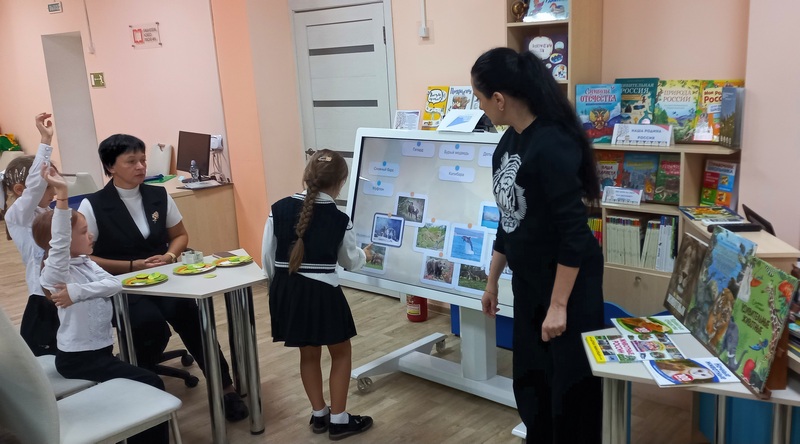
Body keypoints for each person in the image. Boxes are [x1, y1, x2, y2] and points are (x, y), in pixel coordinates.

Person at [472, 47, 605, 443]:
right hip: (529, 283)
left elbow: (574, 234)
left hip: (567, 287)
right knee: (531, 382)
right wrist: (492, 282)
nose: (480, 107)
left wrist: (559, 305)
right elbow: (509, 219)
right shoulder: (507, 143)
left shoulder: (552, 144)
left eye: (480, 98)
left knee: (570, 392)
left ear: (499, 99)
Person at [77, 134, 248, 421]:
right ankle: (145, 391)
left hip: (164, 279)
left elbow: (180, 235)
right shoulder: (93, 205)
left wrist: (169, 256)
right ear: (110, 166)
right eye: (131, 161)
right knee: (148, 324)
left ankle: (225, 388)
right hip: (123, 286)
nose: (141, 167)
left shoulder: (158, 195)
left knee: (196, 321)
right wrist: (130, 265)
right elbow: (85, 258)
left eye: (142, 160)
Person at [33, 164, 168, 444]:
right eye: (84, 232)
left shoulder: (85, 263)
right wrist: (62, 195)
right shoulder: (56, 273)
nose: (91, 235)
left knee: (139, 383)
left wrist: (77, 292)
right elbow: (60, 241)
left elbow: (114, 285)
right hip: (78, 360)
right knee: (151, 382)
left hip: (101, 353)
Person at [261, 149, 373, 440]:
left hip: (287, 292)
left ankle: (319, 414)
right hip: (323, 294)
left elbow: (267, 260)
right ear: (341, 182)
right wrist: (365, 254)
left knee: (308, 353)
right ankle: (339, 420)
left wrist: (279, 292)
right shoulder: (339, 218)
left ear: (307, 175)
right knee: (341, 352)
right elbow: (350, 261)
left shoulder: (277, 209)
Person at [1, 113, 59, 356]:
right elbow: (35, 186)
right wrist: (45, 141)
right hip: (42, 295)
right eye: (50, 186)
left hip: (60, 288)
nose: (54, 191)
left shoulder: (44, 210)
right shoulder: (18, 215)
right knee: (41, 355)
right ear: (19, 190)